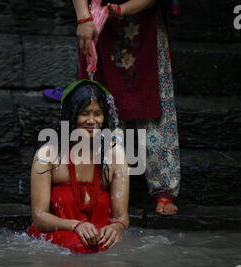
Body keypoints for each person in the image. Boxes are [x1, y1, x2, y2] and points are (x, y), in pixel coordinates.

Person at [73, 0, 181, 215]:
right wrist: (84, 18)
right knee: (100, 105)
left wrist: (120, 10)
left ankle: (163, 187)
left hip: (144, 23)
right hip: (98, 22)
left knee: (156, 102)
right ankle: (100, 186)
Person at [28, 80, 129, 254]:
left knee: (108, 248)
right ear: (71, 115)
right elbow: (39, 217)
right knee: (80, 246)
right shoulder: (48, 154)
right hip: (60, 236)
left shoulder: (115, 154)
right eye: (84, 113)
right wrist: (76, 226)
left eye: (98, 113)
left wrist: (116, 229)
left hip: (99, 238)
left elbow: (121, 217)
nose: (92, 121)